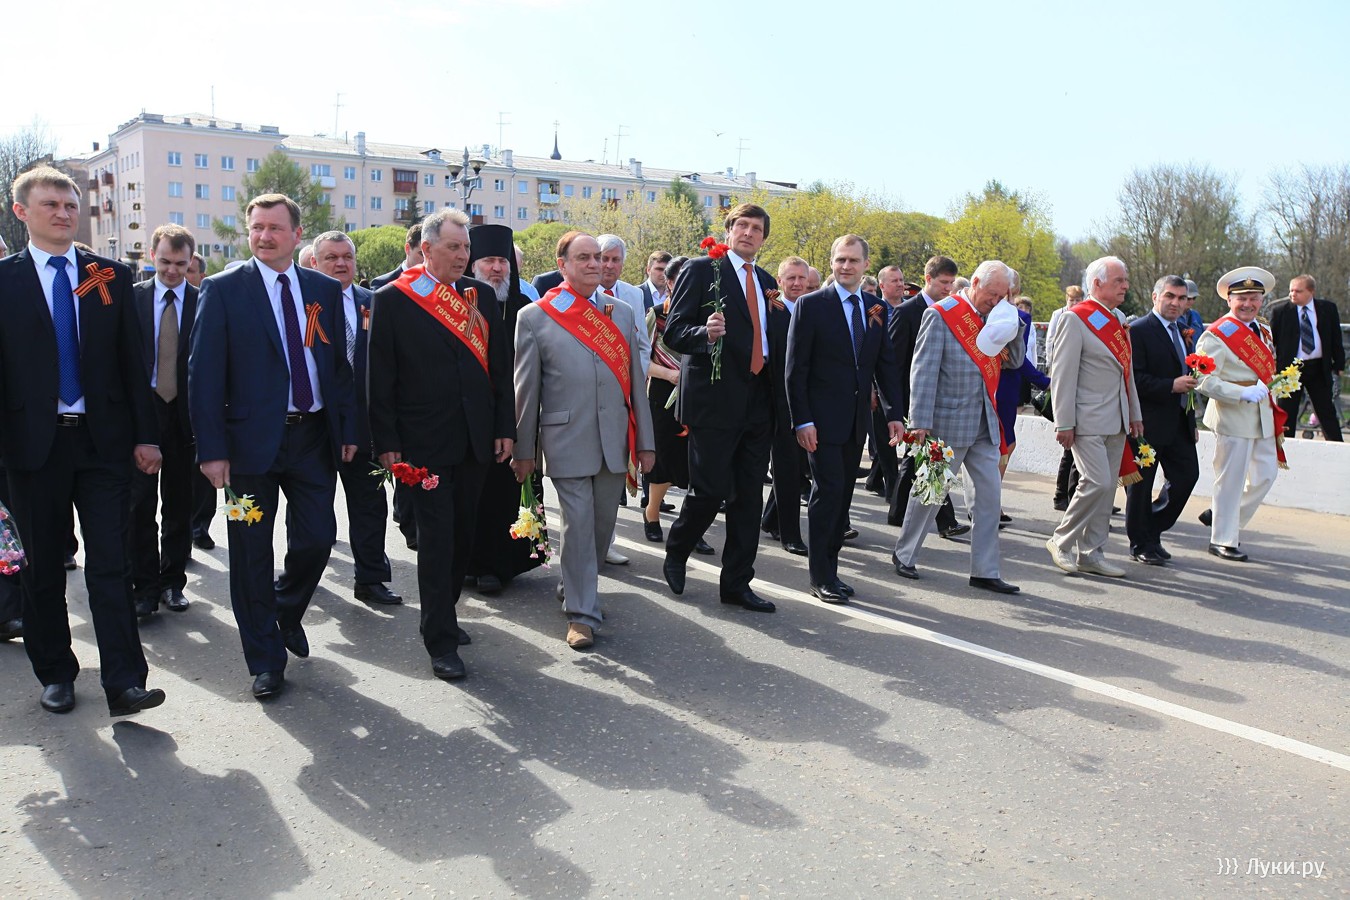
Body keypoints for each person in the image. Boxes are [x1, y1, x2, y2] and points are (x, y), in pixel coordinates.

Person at [0, 166, 166, 716]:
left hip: (103, 444)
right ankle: (56, 674)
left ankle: (125, 681)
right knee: (43, 566)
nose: (64, 213)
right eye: (51, 204)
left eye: (70, 204)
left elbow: (133, 363)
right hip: (32, 449)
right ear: (22, 212)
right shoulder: (5, 280)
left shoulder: (110, 276)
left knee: (111, 563)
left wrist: (146, 437)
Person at [189, 193, 358, 700]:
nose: (264, 236)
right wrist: (211, 449)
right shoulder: (223, 290)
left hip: (311, 437)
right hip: (245, 448)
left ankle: (284, 608)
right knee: (250, 553)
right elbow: (203, 375)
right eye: (256, 227)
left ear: (296, 234)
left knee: (318, 538)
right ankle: (264, 659)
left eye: (274, 228)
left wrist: (349, 429)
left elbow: (338, 367)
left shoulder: (322, 290)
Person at [367, 210, 514, 678]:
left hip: (475, 439)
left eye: (466, 247)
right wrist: (386, 441)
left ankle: (442, 613)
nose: (463, 255)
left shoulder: (480, 296)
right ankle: (440, 641)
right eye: (454, 247)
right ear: (427, 249)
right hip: (423, 444)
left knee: (462, 537)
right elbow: (380, 377)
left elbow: (499, 369)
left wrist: (504, 428)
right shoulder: (393, 298)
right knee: (435, 540)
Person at [512, 231, 654, 649]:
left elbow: (635, 383)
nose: (594, 264)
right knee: (577, 526)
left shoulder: (621, 312)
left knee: (600, 529)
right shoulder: (535, 316)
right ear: (563, 265)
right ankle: (582, 614)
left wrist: (646, 442)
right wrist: (524, 451)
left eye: (598, 257)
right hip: (565, 439)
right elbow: (527, 390)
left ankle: (573, 585)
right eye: (584, 257)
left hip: (614, 441)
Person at [661, 204, 790, 613]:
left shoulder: (767, 282)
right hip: (714, 401)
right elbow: (675, 331)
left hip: (758, 401)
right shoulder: (702, 270)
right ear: (729, 231)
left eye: (757, 229)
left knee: (749, 497)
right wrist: (706, 333)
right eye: (742, 226)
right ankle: (677, 548)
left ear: (764, 238)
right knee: (711, 490)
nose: (749, 233)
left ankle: (736, 583)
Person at [890, 260, 1022, 594]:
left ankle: (985, 570)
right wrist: (920, 421)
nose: (995, 301)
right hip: (946, 423)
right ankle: (905, 553)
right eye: (992, 294)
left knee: (989, 498)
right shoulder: (941, 314)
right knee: (930, 493)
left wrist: (1012, 321)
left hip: (985, 422)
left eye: (1002, 296)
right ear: (975, 283)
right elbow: (923, 370)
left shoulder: (997, 316)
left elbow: (1016, 361)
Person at [787, 235, 904, 603]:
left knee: (842, 499)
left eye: (853, 260)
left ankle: (832, 571)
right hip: (819, 424)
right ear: (832, 262)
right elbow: (795, 370)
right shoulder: (811, 305)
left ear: (866, 265)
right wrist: (802, 420)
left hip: (856, 423)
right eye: (840, 259)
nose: (846, 266)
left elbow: (884, 365)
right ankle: (820, 576)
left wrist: (894, 414)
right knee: (827, 494)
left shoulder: (875, 308)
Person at [304, 230, 402, 606]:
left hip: (364, 424)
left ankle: (371, 579)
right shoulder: (303, 304)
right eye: (331, 258)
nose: (341, 264)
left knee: (369, 506)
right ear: (315, 263)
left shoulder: (373, 302)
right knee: (310, 511)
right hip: (317, 425)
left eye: (347, 257)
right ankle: (305, 578)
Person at [1046, 256, 1143, 578]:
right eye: (1119, 281)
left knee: (1107, 489)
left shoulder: (1118, 319)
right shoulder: (1075, 319)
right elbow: (1063, 375)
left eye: (1125, 280)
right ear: (1097, 284)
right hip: (1085, 417)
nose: (1125, 286)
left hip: (1116, 417)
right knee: (1097, 482)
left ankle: (1091, 553)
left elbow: (1127, 372)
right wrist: (1064, 421)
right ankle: (1061, 540)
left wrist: (1134, 413)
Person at [463, 224, 545, 595]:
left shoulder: (526, 307)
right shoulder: (460, 303)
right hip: (470, 415)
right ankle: (470, 563)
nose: (496, 268)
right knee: (473, 496)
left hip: (515, 412)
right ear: (473, 265)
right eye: (488, 261)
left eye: (502, 261)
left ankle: (500, 564)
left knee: (506, 493)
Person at [129, 224, 200, 618]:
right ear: (151, 256)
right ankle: (144, 587)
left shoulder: (204, 301)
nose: (172, 270)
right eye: (165, 262)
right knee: (138, 506)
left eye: (180, 264)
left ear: (191, 262)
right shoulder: (132, 298)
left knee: (179, 505)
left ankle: (173, 582)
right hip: (143, 412)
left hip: (185, 417)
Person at [1194, 267, 1282, 561]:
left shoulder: (1263, 329)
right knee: (1230, 480)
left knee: (1265, 476)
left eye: (1254, 298)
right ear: (1229, 300)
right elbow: (1202, 379)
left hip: (1263, 414)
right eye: (1241, 298)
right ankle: (1222, 539)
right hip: (1233, 414)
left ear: (1261, 300)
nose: (1248, 304)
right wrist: (1240, 393)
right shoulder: (1216, 335)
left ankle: (1221, 514)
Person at [887, 255, 967, 536]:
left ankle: (898, 512)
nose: (948, 288)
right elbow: (896, 363)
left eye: (951, 283)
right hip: (915, 400)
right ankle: (946, 521)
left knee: (916, 459)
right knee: (932, 458)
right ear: (928, 279)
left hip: (940, 399)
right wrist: (898, 405)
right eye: (943, 282)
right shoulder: (907, 312)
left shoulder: (953, 312)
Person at [1123, 275, 1199, 566]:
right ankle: (1140, 543)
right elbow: (1134, 379)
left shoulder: (1182, 331)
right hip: (1147, 423)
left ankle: (1152, 528)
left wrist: (1191, 421)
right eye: (1170, 296)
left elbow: (1187, 376)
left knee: (1186, 477)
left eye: (1182, 298)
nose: (1175, 303)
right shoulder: (1139, 330)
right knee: (1140, 486)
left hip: (1179, 421)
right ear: (1155, 297)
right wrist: (1170, 385)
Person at [642, 256, 715, 555]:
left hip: (698, 395)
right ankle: (652, 512)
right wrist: (671, 374)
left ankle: (691, 528)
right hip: (663, 394)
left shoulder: (707, 316)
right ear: (670, 283)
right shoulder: (656, 314)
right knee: (665, 460)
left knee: (695, 466)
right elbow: (641, 360)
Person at [760, 256, 812, 555]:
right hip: (777, 401)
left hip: (808, 400)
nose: (796, 283)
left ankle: (771, 519)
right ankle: (790, 534)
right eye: (790, 278)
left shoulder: (815, 310)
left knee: (797, 466)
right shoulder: (771, 313)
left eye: (801, 278)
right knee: (787, 467)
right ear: (779, 281)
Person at [1268, 274, 1344, 441]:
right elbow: (1271, 342)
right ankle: (1284, 447)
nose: (1292, 294)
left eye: (1298, 291)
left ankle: (1338, 446)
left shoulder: (1327, 309)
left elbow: (1335, 338)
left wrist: (1339, 364)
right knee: (1286, 412)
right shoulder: (1280, 311)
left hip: (1318, 367)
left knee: (1326, 411)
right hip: (1289, 370)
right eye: (1291, 291)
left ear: (1311, 291)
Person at [863, 265, 908, 498]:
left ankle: (874, 479)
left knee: (894, 434)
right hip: (879, 384)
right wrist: (871, 387)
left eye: (901, 280)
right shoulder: (874, 311)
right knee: (883, 437)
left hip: (903, 383)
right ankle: (892, 488)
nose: (900, 284)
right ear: (882, 286)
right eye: (894, 281)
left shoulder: (909, 309)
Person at [1048, 284, 1086, 511]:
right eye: (1071, 299)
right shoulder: (1060, 315)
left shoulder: (1087, 316)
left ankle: (1078, 495)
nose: (1074, 303)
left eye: (1078, 299)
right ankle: (1062, 494)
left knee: (1075, 453)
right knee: (1069, 451)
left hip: (1082, 386)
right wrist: (1052, 374)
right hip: (1067, 383)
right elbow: (1052, 344)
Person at [371, 223, 423, 290]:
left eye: (431, 255)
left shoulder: (435, 285)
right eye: (422, 254)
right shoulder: (382, 284)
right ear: (407, 249)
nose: (427, 260)